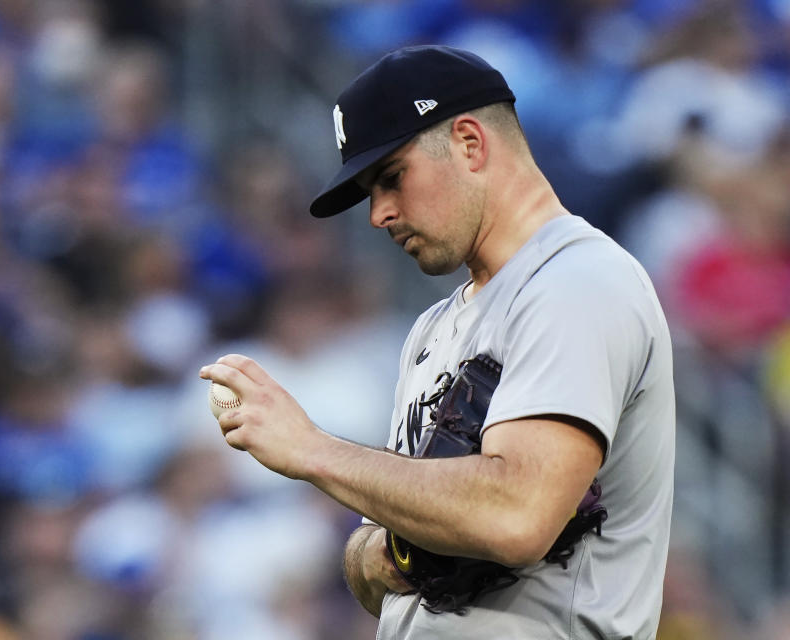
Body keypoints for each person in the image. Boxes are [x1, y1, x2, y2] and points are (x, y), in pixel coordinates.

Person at [199, 45, 675, 639]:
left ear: (470, 144)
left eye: (392, 177)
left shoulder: (575, 282)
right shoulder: (433, 329)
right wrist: (393, 548)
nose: (379, 213)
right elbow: (385, 551)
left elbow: (516, 515)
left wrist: (312, 450)